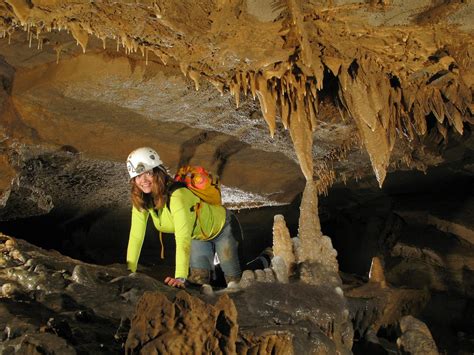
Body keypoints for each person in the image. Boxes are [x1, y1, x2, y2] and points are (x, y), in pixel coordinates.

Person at [125, 147, 242, 288]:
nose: (143, 180)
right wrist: (130, 270)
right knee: (199, 281)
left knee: (234, 280)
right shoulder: (142, 199)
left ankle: (266, 257)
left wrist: (180, 277)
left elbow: (182, 238)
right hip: (198, 236)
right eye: (138, 176)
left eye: (148, 173)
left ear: (157, 172)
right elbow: (136, 235)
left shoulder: (177, 196)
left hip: (223, 228)